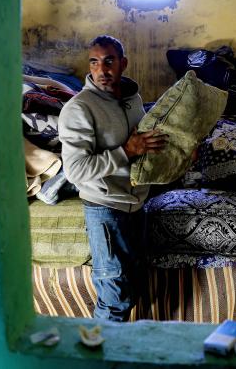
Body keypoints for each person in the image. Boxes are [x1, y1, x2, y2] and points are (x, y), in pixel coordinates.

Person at [58, 35, 168, 321]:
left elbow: (143, 146)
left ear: (123, 64)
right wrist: (125, 151)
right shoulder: (78, 108)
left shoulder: (133, 100)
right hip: (105, 208)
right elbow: (75, 170)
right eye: (94, 63)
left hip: (136, 205)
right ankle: (99, 356)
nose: (102, 70)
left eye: (109, 61)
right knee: (114, 297)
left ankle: (127, 350)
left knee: (134, 287)